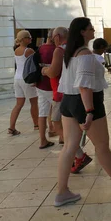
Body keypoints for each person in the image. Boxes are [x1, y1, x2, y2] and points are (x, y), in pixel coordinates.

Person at [55, 17, 111, 207]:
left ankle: (61, 192)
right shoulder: (85, 54)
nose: (94, 30)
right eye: (90, 28)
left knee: (69, 146)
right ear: (82, 32)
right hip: (85, 102)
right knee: (101, 145)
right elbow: (84, 85)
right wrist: (89, 110)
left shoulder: (69, 52)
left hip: (68, 101)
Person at [43, 27, 91, 173]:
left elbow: (54, 72)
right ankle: (76, 152)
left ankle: (77, 154)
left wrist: (44, 70)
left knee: (57, 124)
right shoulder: (76, 49)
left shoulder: (60, 50)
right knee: (73, 126)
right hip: (74, 92)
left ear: (57, 36)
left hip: (61, 92)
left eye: (52, 37)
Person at [8, 30, 39, 136]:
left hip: (17, 78)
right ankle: (36, 125)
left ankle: (11, 127)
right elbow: (37, 60)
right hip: (27, 79)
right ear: (24, 39)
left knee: (18, 104)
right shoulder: (28, 50)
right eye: (29, 37)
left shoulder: (16, 50)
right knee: (34, 102)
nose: (31, 39)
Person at [35, 29, 56, 149]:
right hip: (52, 85)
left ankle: (43, 139)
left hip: (41, 84)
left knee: (42, 113)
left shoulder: (40, 49)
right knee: (59, 112)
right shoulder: (56, 50)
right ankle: (62, 137)